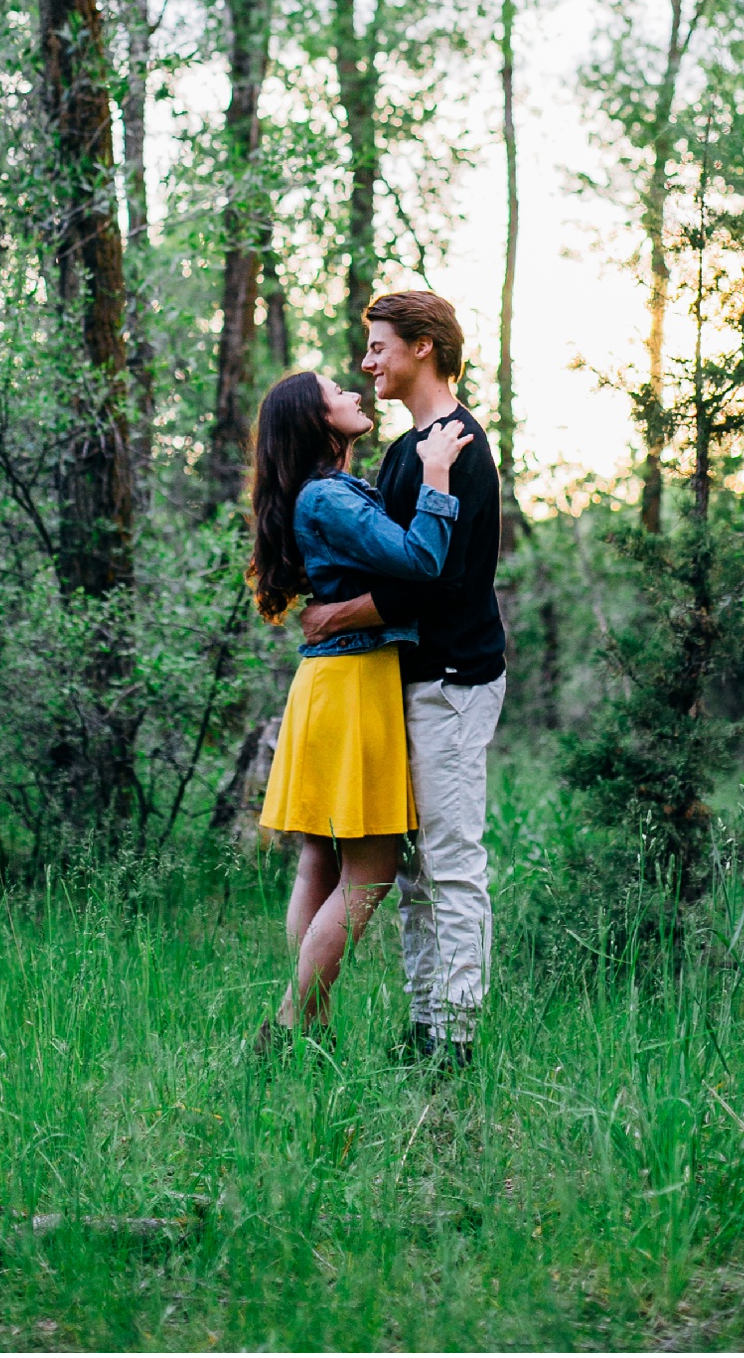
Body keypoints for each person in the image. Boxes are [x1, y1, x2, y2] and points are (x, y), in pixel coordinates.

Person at [299, 292, 506, 1067]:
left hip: (453, 680)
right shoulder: (402, 451)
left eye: (380, 346)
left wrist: (340, 613)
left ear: (424, 347)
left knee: (451, 862)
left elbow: (440, 581)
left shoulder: (460, 446)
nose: (367, 361)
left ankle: (453, 1039)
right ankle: (425, 1025)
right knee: (416, 871)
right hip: (403, 687)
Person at [248, 368, 475, 1043]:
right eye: (336, 391)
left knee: (320, 860)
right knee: (370, 871)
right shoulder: (327, 498)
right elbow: (422, 557)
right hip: (351, 685)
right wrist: (435, 472)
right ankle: (290, 1022)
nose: (353, 391)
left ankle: (311, 1029)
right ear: (316, 420)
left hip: (333, 682)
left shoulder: (327, 491)